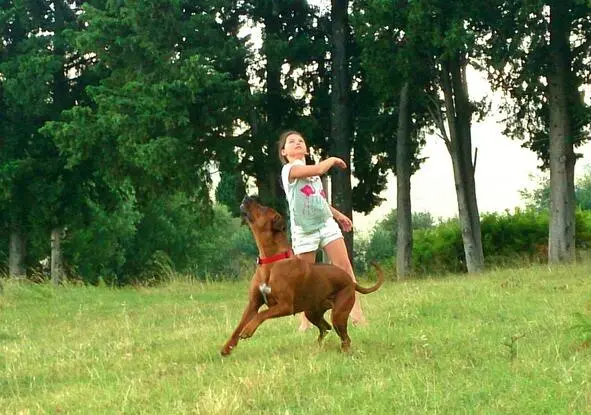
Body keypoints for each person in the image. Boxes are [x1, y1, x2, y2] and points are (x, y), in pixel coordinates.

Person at [278, 130, 367, 331]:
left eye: (301, 140)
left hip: (326, 225)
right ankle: (305, 321)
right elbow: (318, 170)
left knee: (344, 268)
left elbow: (318, 200)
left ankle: (357, 314)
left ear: (306, 149)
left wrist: (338, 215)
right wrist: (333, 159)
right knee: (304, 277)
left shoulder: (313, 173)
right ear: (284, 152)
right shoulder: (289, 171)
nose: (297, 143)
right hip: (304, 231)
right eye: (291, 142)